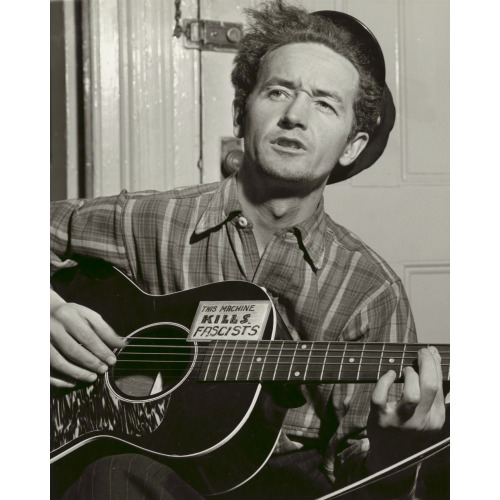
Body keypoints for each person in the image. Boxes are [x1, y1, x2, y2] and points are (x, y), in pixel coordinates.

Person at [50, 1, 447, 499]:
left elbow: (360, 476)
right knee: (113, 476)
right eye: (278, 91)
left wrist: (393, 448)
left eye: (325, 103)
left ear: (351, 145)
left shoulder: (370, 290)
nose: (294, 116)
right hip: (140, 473)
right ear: (242, 112)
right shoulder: (153, 220)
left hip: (284, 485)